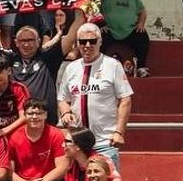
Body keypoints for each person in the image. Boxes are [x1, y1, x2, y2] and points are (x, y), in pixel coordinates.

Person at [56, 25, 133, 166]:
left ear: (100, 42)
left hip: (105, 141)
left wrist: (119, 132)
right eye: (82, 41)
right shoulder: (71, 68)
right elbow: (62, 98)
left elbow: (125, 99)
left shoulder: (113, 65)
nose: (87, 45)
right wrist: (66, 112)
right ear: (77, 43)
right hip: (77, 143)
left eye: (92, 41)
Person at [96, 0, 150, 76]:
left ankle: (141, 68)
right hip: (109, 31)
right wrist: (99, 25)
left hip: (129, 31)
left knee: (143, 37)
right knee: (97, 39)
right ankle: (97, 68)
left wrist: (140, 24)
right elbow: (92, 8)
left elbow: (142, 11)